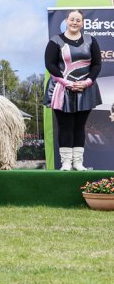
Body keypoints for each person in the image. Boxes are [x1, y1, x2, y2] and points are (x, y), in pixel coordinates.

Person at [44, 9, 101, 171]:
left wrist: (87, 82)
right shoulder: (55, 41)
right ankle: (66, 163)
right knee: (65, 126)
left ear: (82, 23)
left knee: (79, 126)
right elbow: (50, 64)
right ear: (66, 21)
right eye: (72, 19)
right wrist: (66, 83)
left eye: (78, 20)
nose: (74, 22)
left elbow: (97, 64)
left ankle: (78, 163)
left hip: (85, 89)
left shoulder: (91, 40)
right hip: (61, 89)